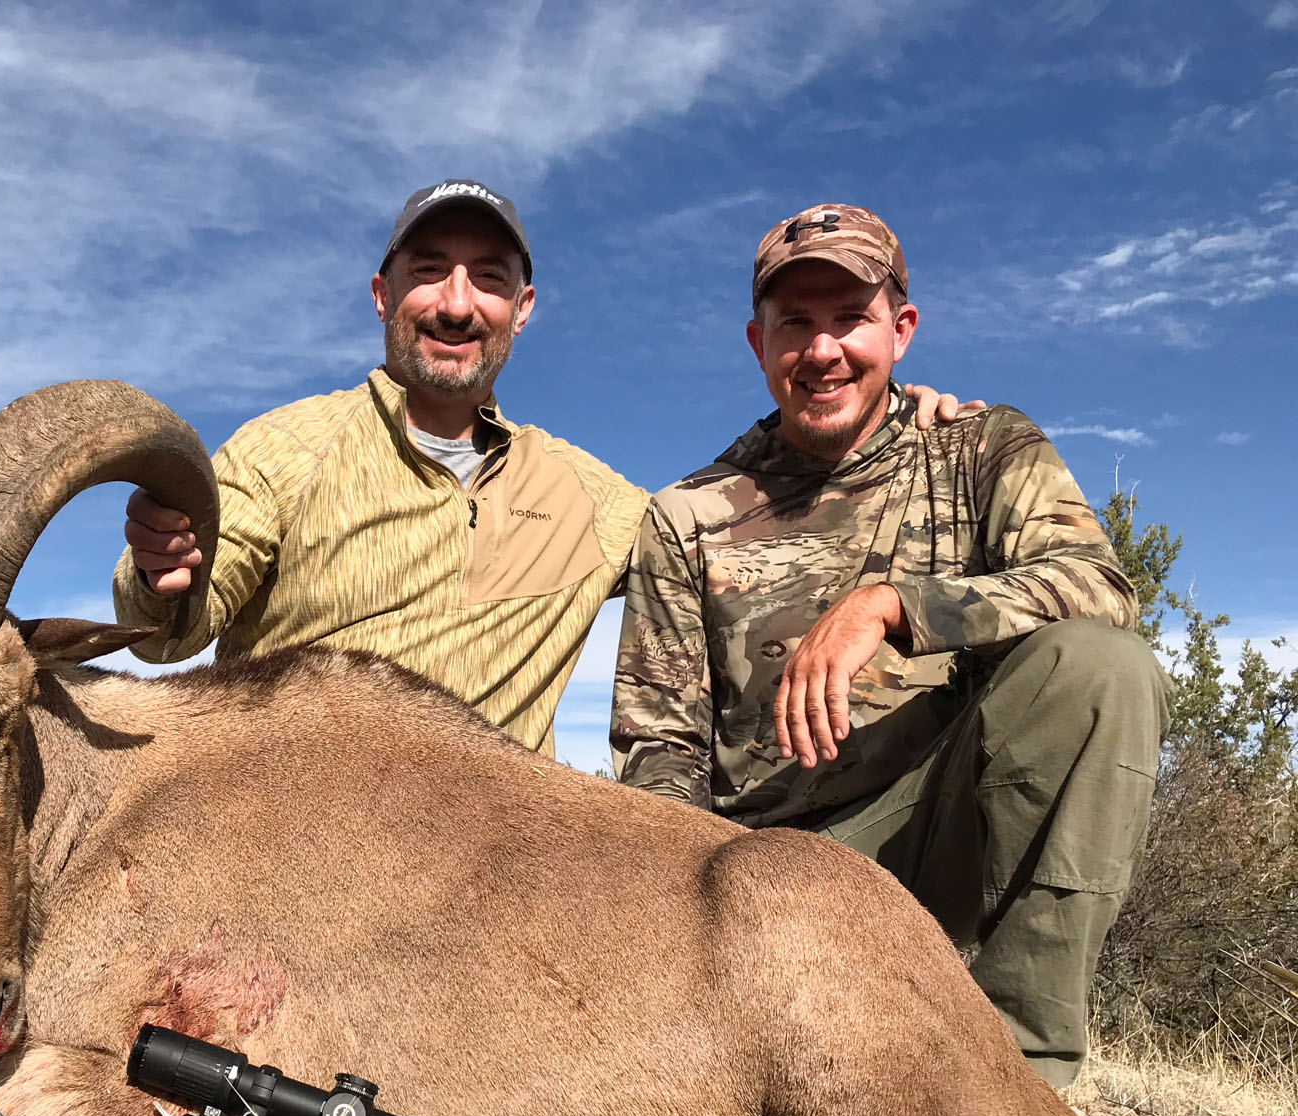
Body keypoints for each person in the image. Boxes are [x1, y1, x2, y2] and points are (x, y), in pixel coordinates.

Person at [114, 180, 976, 757]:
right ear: (383, 294)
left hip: (483, 885)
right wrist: (160, 574)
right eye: (430, 273)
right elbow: (167, 631)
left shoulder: (586, 495)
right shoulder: (286, 449)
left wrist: (886, 415)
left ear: (521, 310)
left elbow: (715, 530)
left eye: (488, 279)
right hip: (279, 846)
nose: (457, 303)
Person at [611, 203, 1167, 1086]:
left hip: (933, 832)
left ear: (900, 329)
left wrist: (894, 606)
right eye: (796, 322)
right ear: (757, 343)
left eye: (851, 318)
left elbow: (1100, 588)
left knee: (1101, 669)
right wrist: (678, 928)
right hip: (765, 873)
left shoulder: (982, 446)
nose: (823, 349)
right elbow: (660, 749)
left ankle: (1024, 1084)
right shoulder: (690, 516)